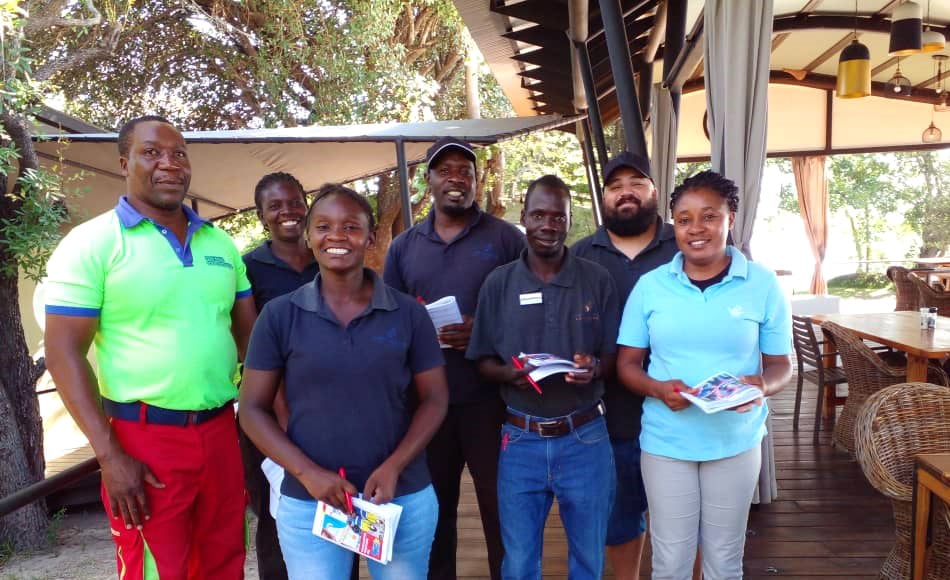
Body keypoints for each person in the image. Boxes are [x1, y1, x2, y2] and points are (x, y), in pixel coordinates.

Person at [44, 115, 256, 579]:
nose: (169, 164)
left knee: (225, 560)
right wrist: (109, 456)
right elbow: (63, 353)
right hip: (142, 440)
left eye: (179, 153)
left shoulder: (219, 243)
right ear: (125, 163)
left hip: (220, 431)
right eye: (152, 152)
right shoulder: (92, 243)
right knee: (157, 569)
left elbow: (249, 339)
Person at [238, 184, 449, 580]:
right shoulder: (280, 316)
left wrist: (394, 467)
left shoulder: (407, 313)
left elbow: (435, 399)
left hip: (399, 496)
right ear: (309, 235)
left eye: (350, 226)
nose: (336, 236)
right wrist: (307, 474)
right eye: (323, 226)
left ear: (370, 237)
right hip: (311, 501)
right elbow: (251, 409)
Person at [616, 170, 792, 579]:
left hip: (735, 440)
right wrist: (658, 389)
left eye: (709, 216)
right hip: (666, 441)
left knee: (724, 556)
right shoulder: (651, 286)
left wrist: (762, 385)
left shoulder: (761, 284)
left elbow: (781, 365)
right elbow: (626, 365)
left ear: (731, 218)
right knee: (671, 559)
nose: (696, 229)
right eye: (684, 218)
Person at [383, 136, 523, 580]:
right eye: (445, 170)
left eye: (466, 170)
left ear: (478, 181)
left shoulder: (505, 239)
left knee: (502, 508)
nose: (456, 178)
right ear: (429, 181)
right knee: (434, 510)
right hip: (428, 404)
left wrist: (482, 328)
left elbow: (528, 308)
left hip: (491, 400)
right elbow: (389, 318)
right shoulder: (404, 246)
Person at [467, 175, 619, 579]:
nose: (548, 224)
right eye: (539, 215)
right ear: (524, 217)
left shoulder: (596, 278)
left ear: (570, 221)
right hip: (520, 440)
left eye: (558, 216)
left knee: (588, 558)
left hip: (585, 437)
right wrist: (508, 374)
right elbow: (481, 360)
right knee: (518, 563)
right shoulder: (499, 283)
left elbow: (615, 355)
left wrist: (595, 368)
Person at [571, 151, 677, 580]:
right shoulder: (579, 256)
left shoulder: (684, 245)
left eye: (636, 182)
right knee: (620, 521)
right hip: (610, 419)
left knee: (684, 524)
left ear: (655, 191)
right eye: (615, 186)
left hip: (680, 414)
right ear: (604, 198)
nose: (626, 192)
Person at [241, 172, 318, 580]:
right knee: (276, 514)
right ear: (261, 216)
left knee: (339, 506)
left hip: (328, 407)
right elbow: (248, 346)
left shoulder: (328, 256)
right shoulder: (248, 269)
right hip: (268, 413)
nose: (287, 211)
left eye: (294, 202)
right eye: (276, 205)